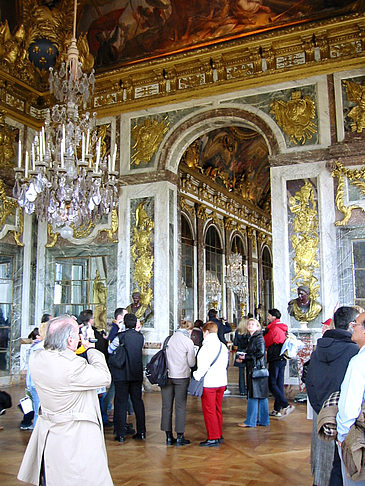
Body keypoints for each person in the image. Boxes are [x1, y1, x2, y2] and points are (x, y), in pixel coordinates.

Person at [17, 315, 113, 486]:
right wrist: (91, 348)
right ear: (70, 340)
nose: (79, 336)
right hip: (73, 439)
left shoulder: (37, 358)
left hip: (49, 435)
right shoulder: (72, 366)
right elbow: (104, 377)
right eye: (77, 333)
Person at [306, 306, 359, 486]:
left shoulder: (318, 349)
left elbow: (310, 382)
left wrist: (321, 408)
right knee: (342, 465)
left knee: (322, 459)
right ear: (352, 325)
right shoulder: (355, 353)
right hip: (346, 417)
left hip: (321, 414)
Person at [336, 311, 365, 486]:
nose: (351, 327)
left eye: (356, 324)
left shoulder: (358, 362)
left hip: (358, 437)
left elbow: (349, 406)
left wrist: (343, 436)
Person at [108, 313, 146, 443]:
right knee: (138, 402)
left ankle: (120, 433)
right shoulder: (140, 337)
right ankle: (141, 431)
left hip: (122, 373)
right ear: (135, 324)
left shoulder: (121, 336)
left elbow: (110, 349)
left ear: (124, 323)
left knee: (120, 402)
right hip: (136, 373)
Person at [193, 321, 229, 447]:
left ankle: (213, 437)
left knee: (209, 411)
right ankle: (219, 434)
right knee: (217, 409)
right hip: (221, 382)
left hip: (209, 383)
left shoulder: (206, 347)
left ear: (206, 332)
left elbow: (202, 367)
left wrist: (195, 376)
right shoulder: (222, 346)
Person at [161, 319, 196, 446]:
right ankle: (180, 436)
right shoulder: (188, 342)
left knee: (166, 406)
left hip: (166, 376)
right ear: (189, 330)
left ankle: (168, 436)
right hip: (181, 377)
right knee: (180, 406)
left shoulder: (168, 339)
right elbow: (191, 363)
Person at [237, 318, 269, 428]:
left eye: (252, 324)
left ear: (257, 327)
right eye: (249, 324)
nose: (250, 325)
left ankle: (250, 421)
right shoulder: (253, 337)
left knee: (253, 394)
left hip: (256, 369)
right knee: (261, 395)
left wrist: (246, 357)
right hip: (258, 368)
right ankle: (264, 420)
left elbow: (260, 353)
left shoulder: (258, 338)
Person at [264, 308, 295, 417]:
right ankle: (277, 410)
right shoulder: (283, 327)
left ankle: (286, 405)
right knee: (279, 384)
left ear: (273, 317)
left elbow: (267, 341)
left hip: (275, 357)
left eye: (269, 315)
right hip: (282, 358)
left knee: (272, 383)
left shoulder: (273, 328)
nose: (267, 317)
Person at [233, 318, 250, 396]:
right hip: (247, 353)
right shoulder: (249, 332)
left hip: (239, 352)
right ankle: (249, 389)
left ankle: (242, 390)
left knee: (241, 373)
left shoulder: (237, 332)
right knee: (249, 372)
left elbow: (235, 343)